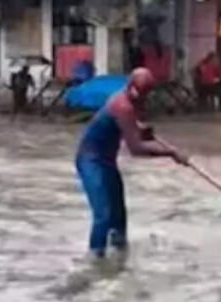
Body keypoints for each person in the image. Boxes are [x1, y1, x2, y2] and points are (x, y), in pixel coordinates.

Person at [74, 68, 189, 262]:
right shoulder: (123, 105)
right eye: (144, 93)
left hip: (107, 160)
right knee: (103, 213)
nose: (146, 98)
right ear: (134, 89)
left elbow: (131, 129)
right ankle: (95, 259)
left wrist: (141, 131)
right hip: (90, 160)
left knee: (118, 213)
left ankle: (120, 255)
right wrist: (171, 153)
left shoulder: (132, 102)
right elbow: (136, 148)